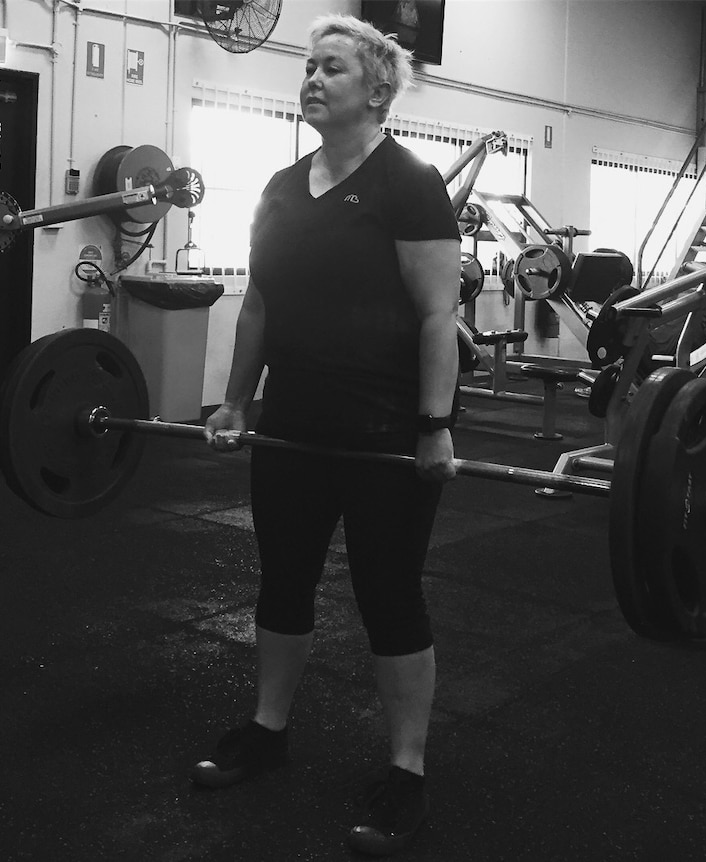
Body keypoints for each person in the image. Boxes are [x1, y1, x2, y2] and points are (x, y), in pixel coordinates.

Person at [192, 13, 461, 858]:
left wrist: (433, 427)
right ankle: (269, 728)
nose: (311, 79)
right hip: (295, 429)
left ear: (375, 89)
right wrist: (235, 403)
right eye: (307, 67)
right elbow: (260, 306)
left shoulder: (409, 182)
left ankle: (407, 771)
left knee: (389, 597)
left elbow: (436, 316)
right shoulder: (278, 186)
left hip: (386, 437)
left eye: (332, 68)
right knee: (283, 582)